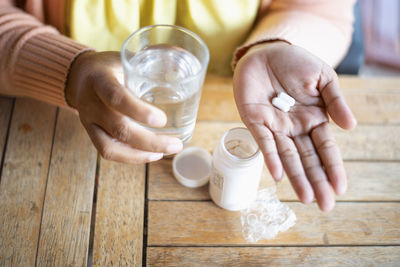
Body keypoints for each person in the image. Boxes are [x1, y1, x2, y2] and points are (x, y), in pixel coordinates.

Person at [0, 0, 357, 212]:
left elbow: (322, 10)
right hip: (53, 128)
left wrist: (276, 43)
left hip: (232, 90)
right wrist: (69, 71)